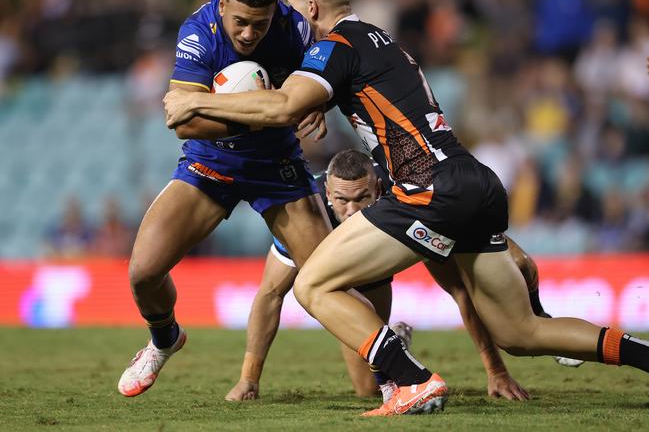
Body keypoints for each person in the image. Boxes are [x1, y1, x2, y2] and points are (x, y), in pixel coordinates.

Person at [164, 0, 649, 416]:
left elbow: (281, 109)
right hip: (474, 180)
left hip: (426, 188)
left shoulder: (334, 46)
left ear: (310, 8)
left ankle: (411, 379)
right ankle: (642, 355)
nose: (292, 19)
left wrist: (197, 106)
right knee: (520, 332)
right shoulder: (381, 39)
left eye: (294, 8)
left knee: (312, 284)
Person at [117, 0, 333, 398]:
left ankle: (391, 365)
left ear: (276, 12)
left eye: (260, 24)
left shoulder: (296, 30)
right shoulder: (198, 33)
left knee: (330, 278)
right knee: (143, 273)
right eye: (240, 22)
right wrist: (261, 116)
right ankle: (164, 339)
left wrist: (318, 101)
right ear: (221, 6)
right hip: (210, 163)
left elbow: (326, 75)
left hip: (277, 167)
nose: (250, 34)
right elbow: (186, 125)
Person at [226, 148, 580, 403]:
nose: (350, 213)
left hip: (382, 268)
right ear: (327, 194)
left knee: (517, 261)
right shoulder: (307, 216)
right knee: (367, 389)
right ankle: (396, 343)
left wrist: (496, 371)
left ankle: (540, 314)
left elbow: (460, 291)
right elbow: (270, 295)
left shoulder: (404, 202)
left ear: (378, 189)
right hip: (342, 290)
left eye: (361, 199)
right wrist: (248, 379)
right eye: (341, 201)